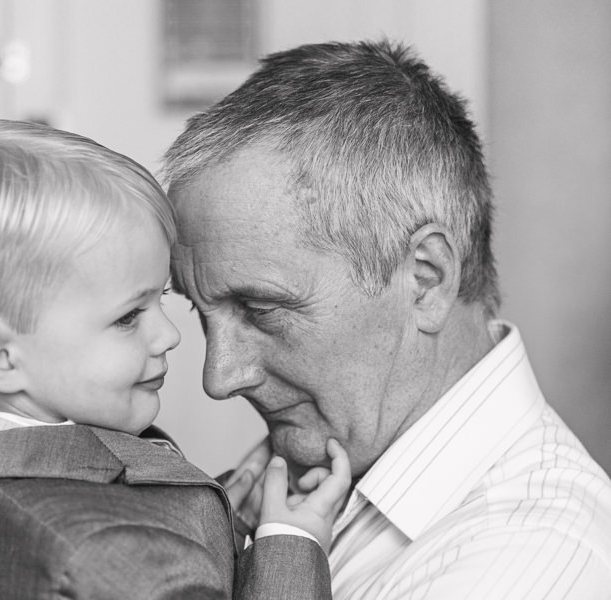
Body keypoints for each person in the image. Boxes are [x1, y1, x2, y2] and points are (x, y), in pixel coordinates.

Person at [162, 39, 611, 599]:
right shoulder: (305, 479)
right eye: (199, 311)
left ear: (426, 280)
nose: (220, 376)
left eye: (261, 310)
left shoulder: (524, 565)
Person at [0, 119, 350, 599]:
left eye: (162, 299)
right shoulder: (107, 552)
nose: (169, 335)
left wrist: (219, 529)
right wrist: (291, 546)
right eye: (128, 316)